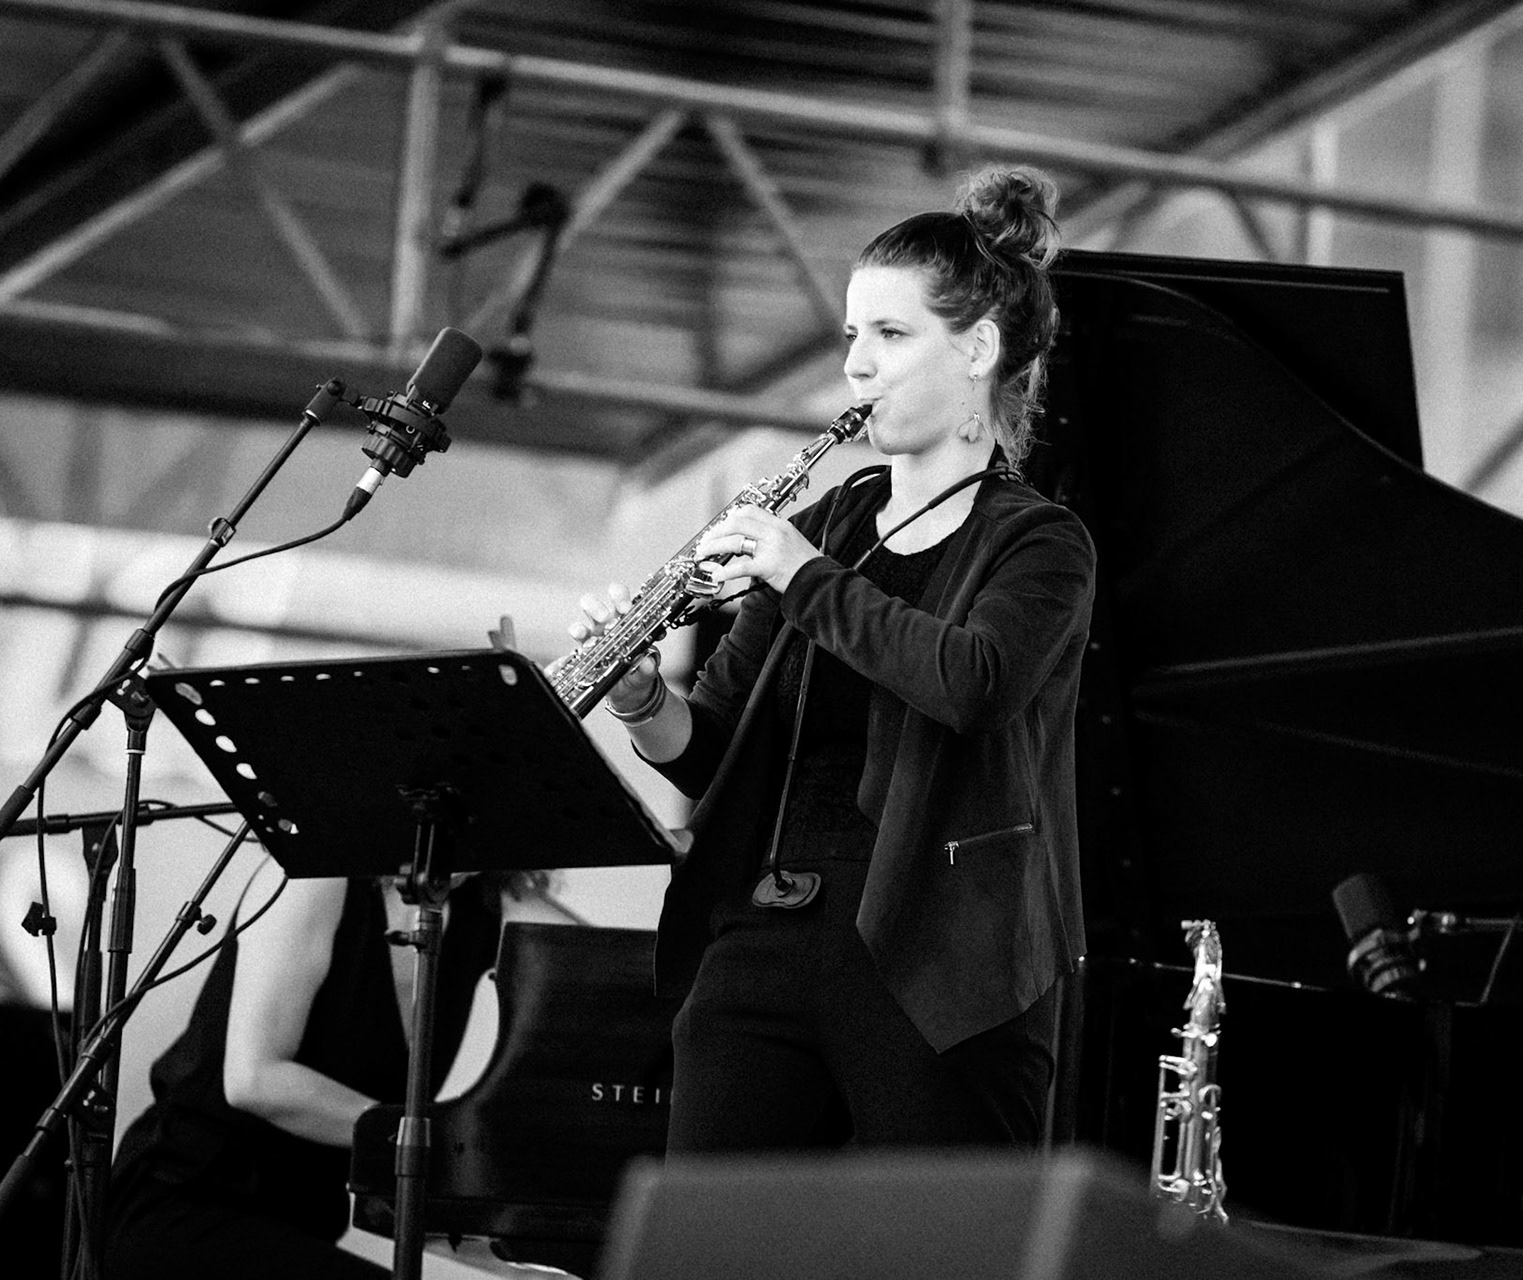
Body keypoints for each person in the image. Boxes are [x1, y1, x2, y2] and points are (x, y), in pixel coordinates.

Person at [572, 165, 1095, 1153]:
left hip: (937, 959)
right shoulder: (833, 521)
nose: (856, 364)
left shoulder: (1038, 542)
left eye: (891, 335)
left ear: (978, 347)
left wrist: (800, 572)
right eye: (854, 334)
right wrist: (644, 698)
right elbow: (712, 751)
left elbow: (971, 683)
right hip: (770, 930)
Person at [104, 870, 567, 1279]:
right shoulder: (318, 880)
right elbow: (255, 1081)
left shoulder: (480, 905)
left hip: (300, 1226)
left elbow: (612, 964)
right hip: (186, 1201)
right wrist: (442, 1140)